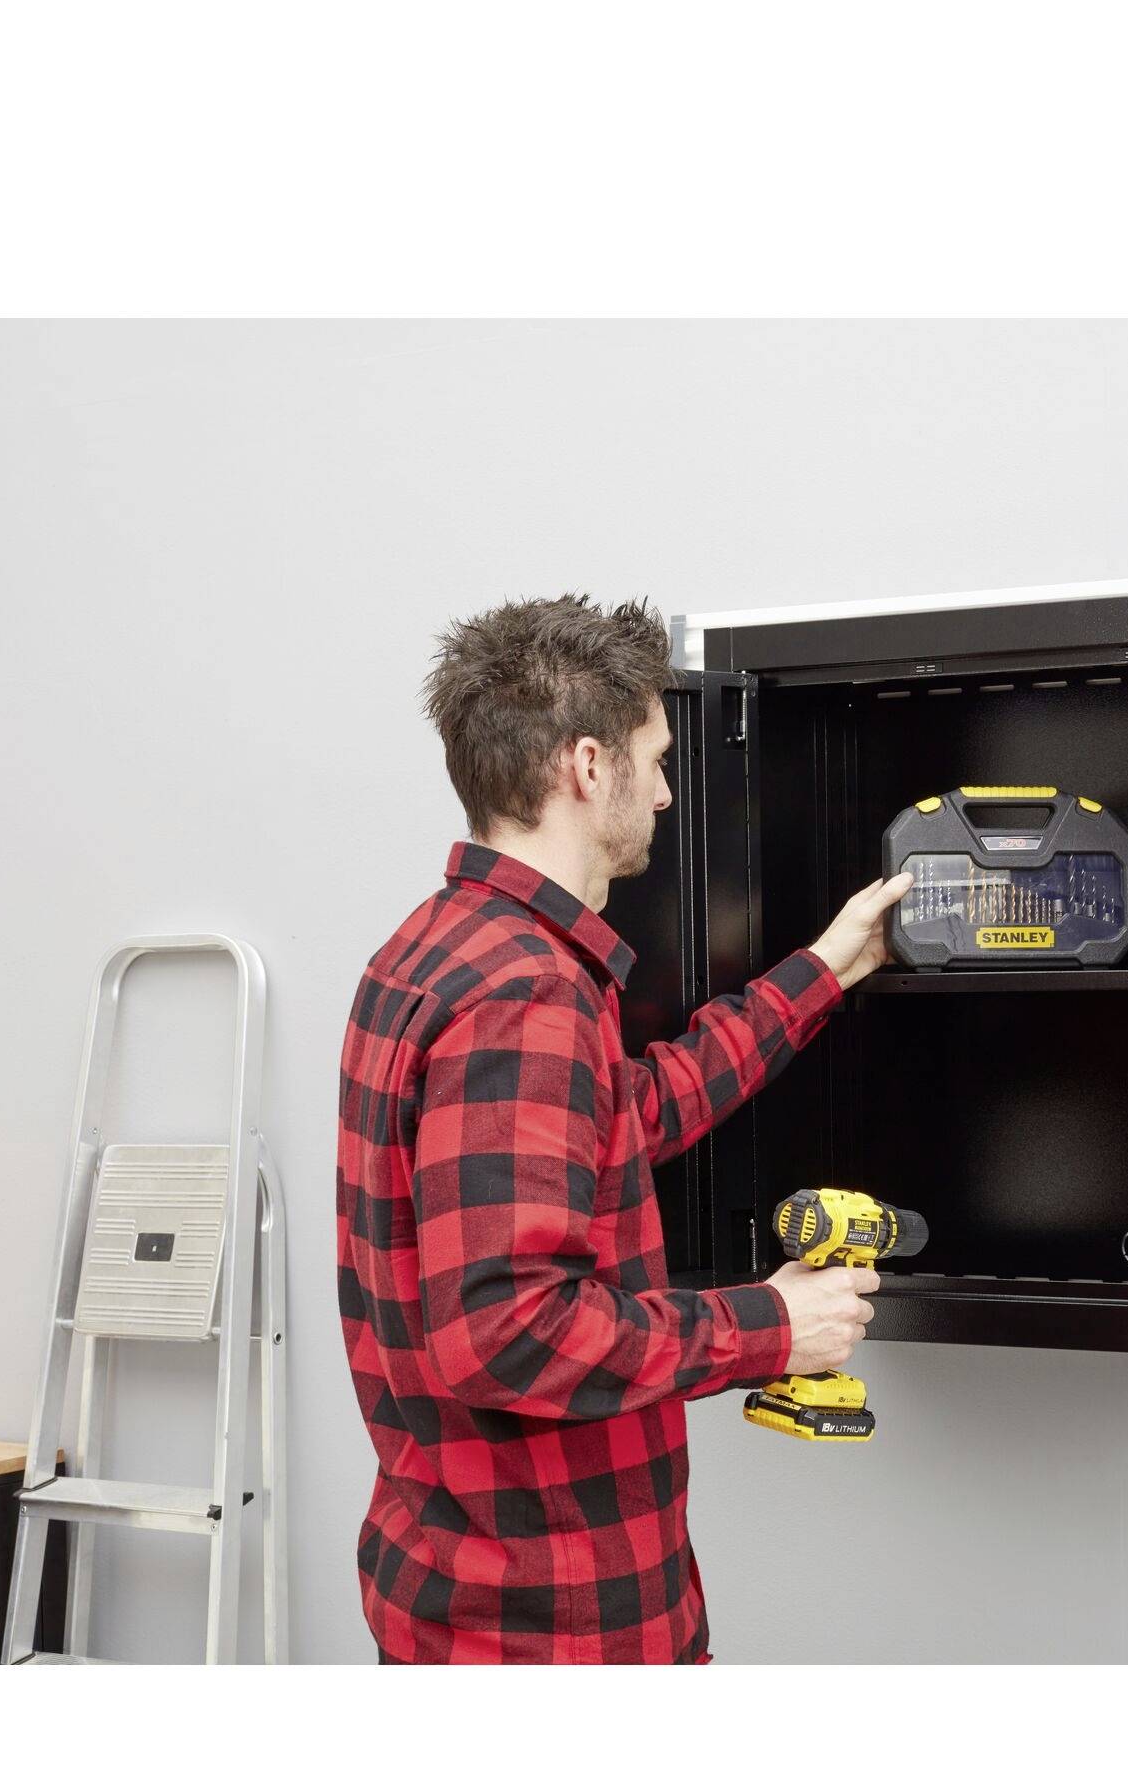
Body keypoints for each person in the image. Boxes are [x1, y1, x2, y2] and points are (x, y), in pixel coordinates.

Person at [337, 594, 910, 1663]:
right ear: (586, 766)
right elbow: (508, 1334)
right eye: (651, 756)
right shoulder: (525, 997)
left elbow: (622, 1116)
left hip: (466, 1582)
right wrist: (768, 1325)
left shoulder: (438, 948)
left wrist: (826, 967)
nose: (664, 788)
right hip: (549, 1623)